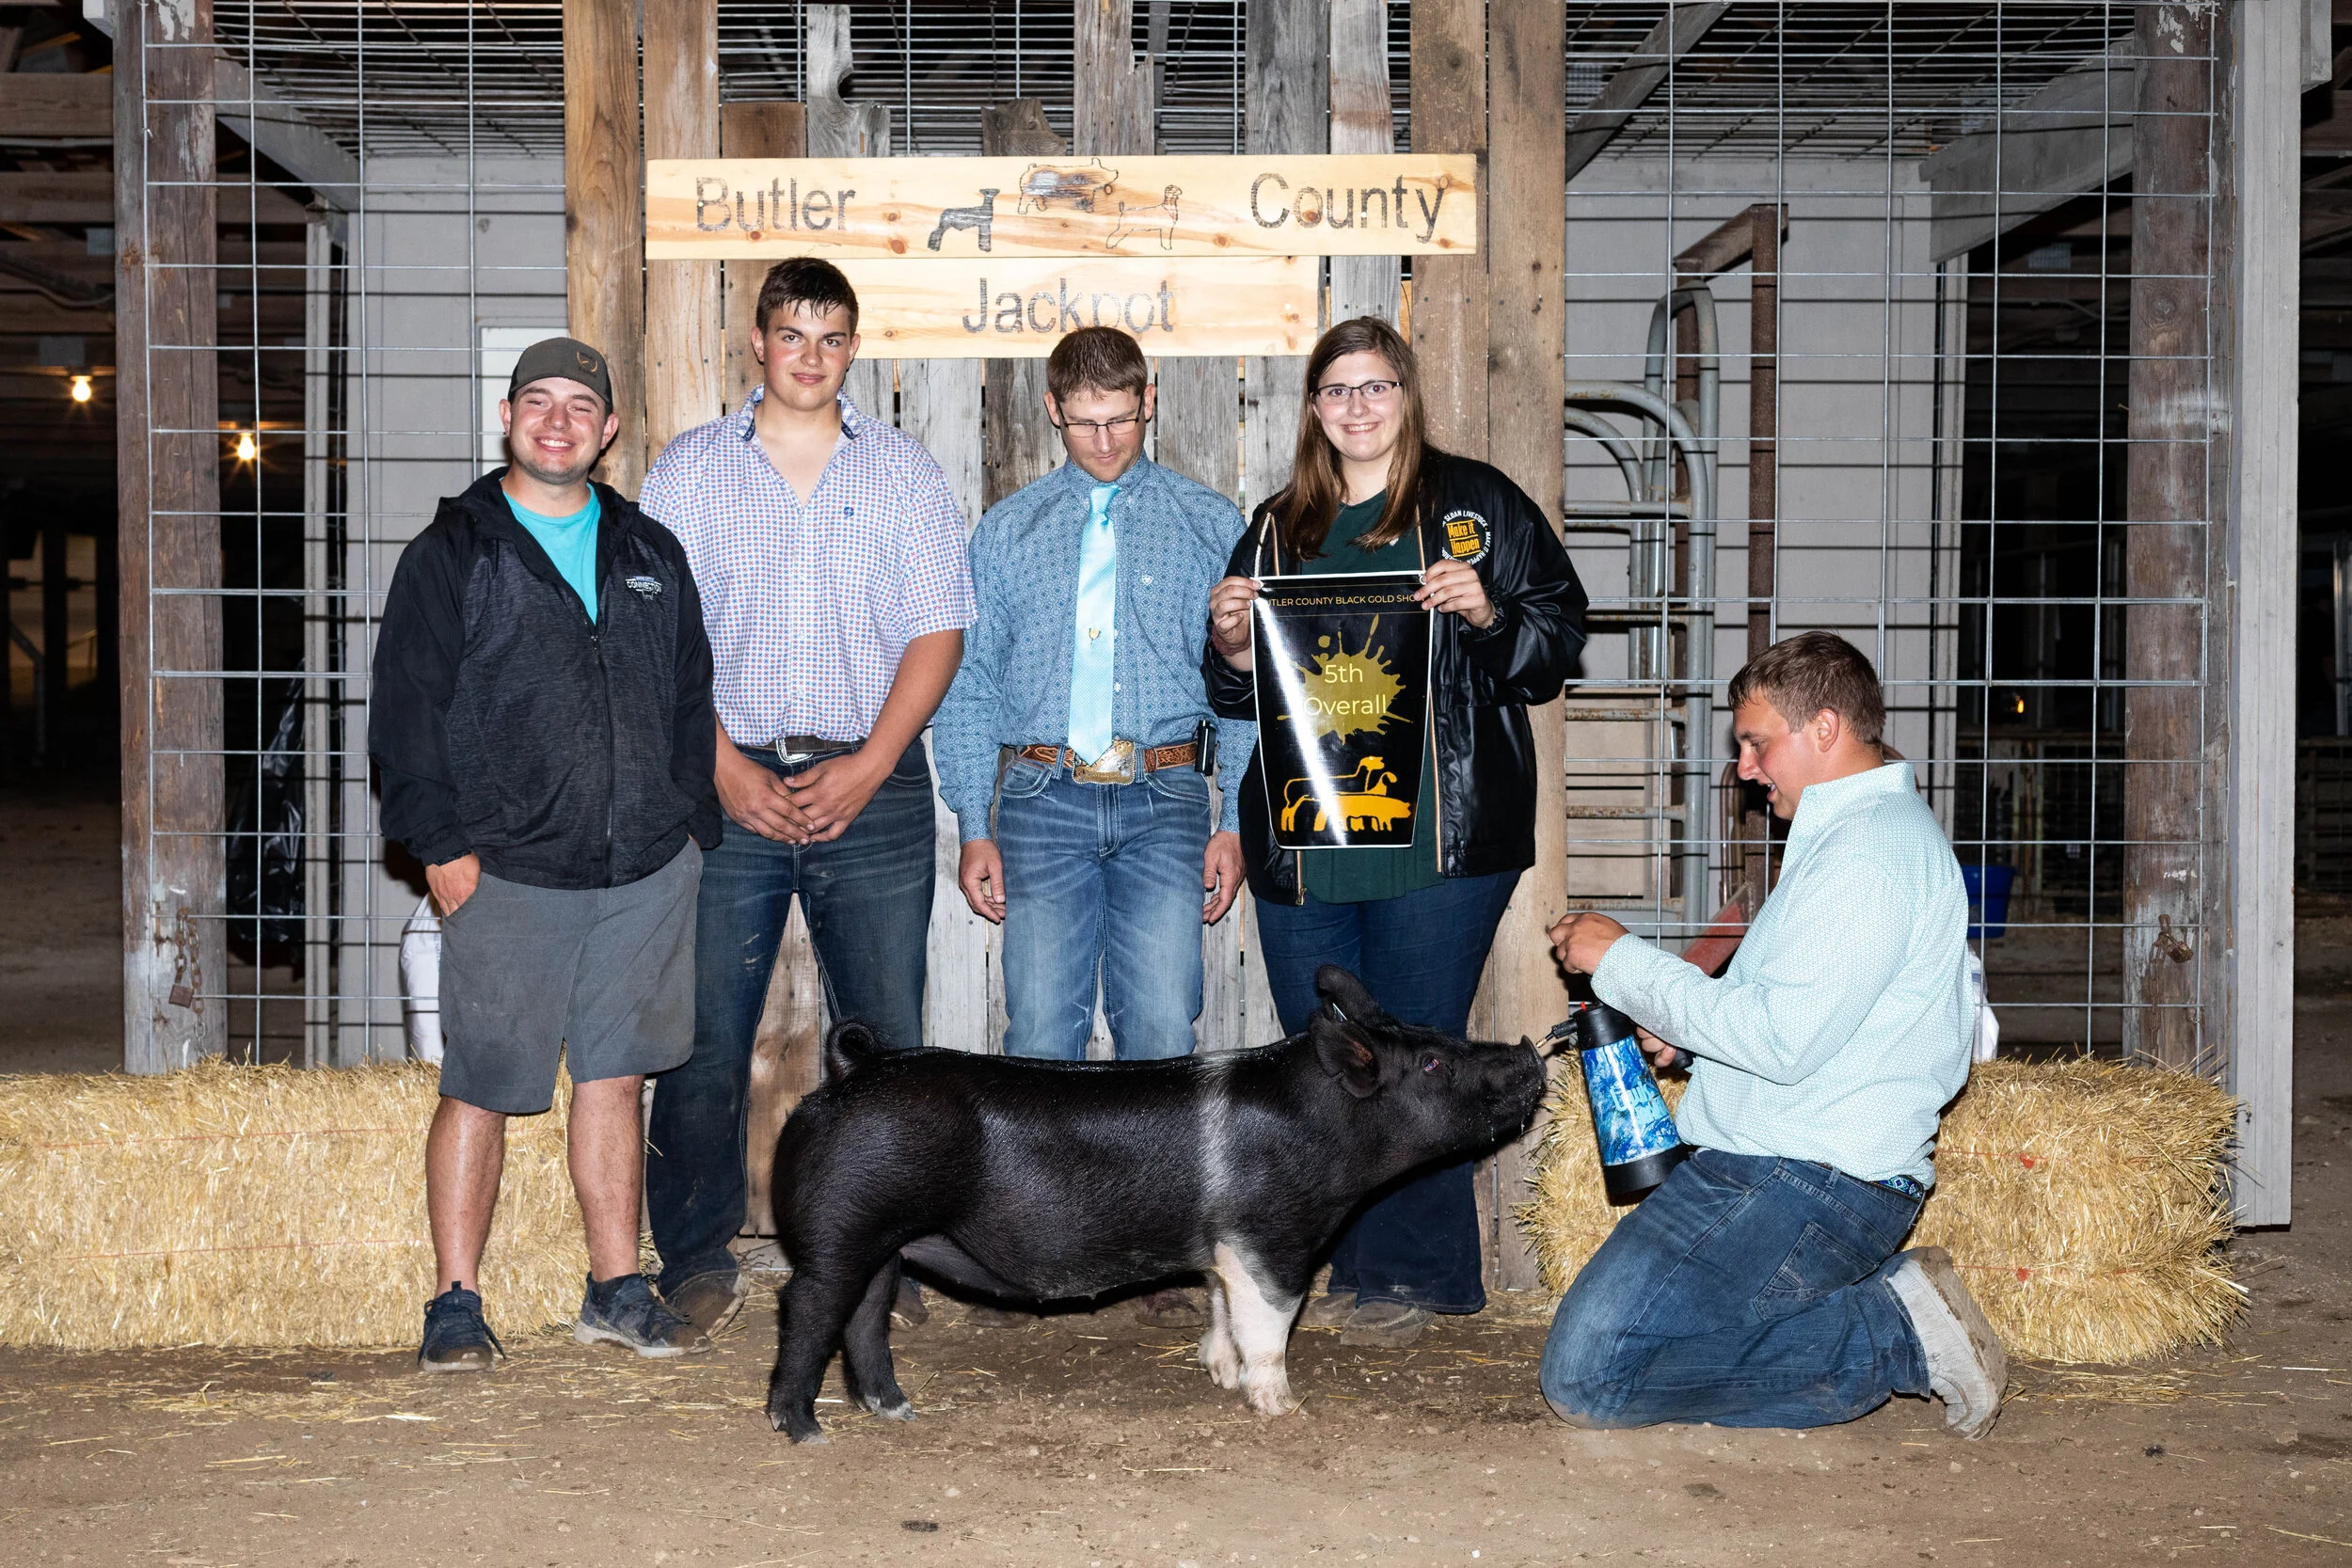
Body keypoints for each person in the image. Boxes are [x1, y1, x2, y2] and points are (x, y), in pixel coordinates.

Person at [1202, 315, 1588, 1348]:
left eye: (1375, 386)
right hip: (1305, 841)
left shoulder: (1476, 505)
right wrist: (1229, 643)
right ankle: (1351, 1265)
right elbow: (1236, 696)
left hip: (1439, 841)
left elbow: (1559, 638)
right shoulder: (1277, 524)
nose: (1357, 406)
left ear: (1406, 394)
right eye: (1337, 390)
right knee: (1330, 1062)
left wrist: (1488, 614)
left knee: (1418, 1056)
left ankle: (1420, 1275)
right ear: (1314, 407)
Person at [1542, 631, 2008, 1438]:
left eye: (1757, 742)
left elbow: (1783, 1040)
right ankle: (1873, 1320)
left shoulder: (1866, 853)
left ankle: (1894, 1332)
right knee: (1625, 1361)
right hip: (1797, 1162)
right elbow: (1800, 1017)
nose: (1746, 766)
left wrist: (1622, 961)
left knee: (1591, 1374)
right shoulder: (1853, 836)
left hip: (1801, 1176)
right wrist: (1688, 1040)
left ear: (1825, 727)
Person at [638, 258, 975, 1335]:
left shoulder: (902, 472)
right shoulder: (689, 471)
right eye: (792, 335)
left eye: (831, 339)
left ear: (852, 349)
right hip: (725, 776)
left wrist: (873, 762)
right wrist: (721, 764)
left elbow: (938, 629)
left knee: (886, 1042)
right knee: (703, 1035)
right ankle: (695, 1254)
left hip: (871, 779)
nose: (811, 357)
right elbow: (652, 636)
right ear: (758, 342)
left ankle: (890, 1254)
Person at [371, 336, 722, 1371]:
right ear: (508, 416)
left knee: (616, 1078)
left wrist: (687, 825)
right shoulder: (453, 552)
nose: (557, 421)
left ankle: (615, 1288)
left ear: (607, 429)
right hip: (508, 869)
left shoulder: (651, 551)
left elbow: (691, 695)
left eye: (579, 405)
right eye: (539, 401)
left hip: (644, 870)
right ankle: (455, 1302)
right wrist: (439, 844)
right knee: (481, 1082)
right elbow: (403, 715)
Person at [932, 326, 1254, 1326]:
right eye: (1084, 421)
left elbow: (1246, 680)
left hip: (1167, 793)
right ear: (1052, 412)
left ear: (1148, 401)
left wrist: (1233, 814)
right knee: (1040, 1030)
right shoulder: (1008, 530)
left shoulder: (1210, 521)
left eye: (1120, 417)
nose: (1105, 438)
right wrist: (974, 820)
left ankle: (1157, 1256)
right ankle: (1032, 1247)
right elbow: (970, 683)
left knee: (1161, 1026)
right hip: (1041, 796)